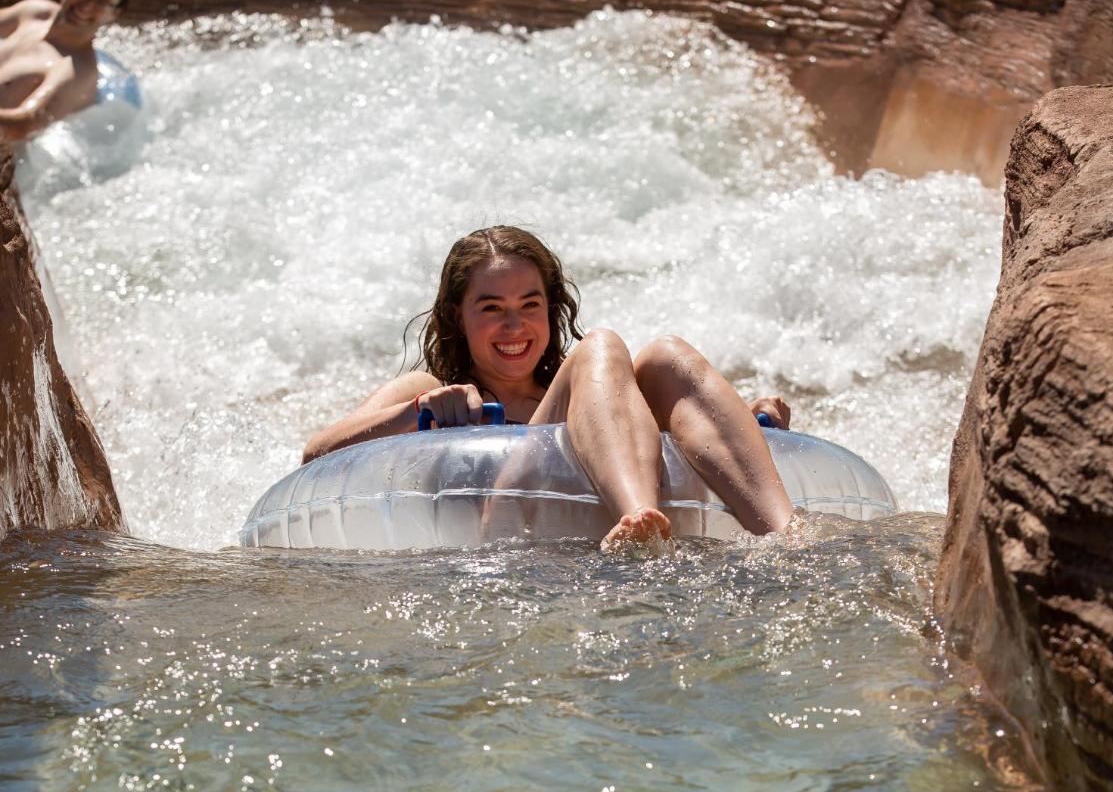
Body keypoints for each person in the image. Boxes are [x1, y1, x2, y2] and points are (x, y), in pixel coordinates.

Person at [303, 226, 794, 551]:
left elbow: (678, 426)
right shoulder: (433, 388)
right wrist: (416, 410)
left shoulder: (594, 393)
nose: (514, 327)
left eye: (530, 304)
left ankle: (787, 535)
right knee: (601, 344)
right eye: (492, 308)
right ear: (458, 315)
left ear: (550, 308)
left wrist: (742, 421)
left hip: (589, 531)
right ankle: (639, 520)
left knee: (666, 355)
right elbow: (316, 455)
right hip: (503, 529)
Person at [0, 0, 136, 143]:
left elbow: (23, 125)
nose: (86, 6)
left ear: (115, 14)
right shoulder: (33, 12)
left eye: (101, 2)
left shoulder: (76, 70)